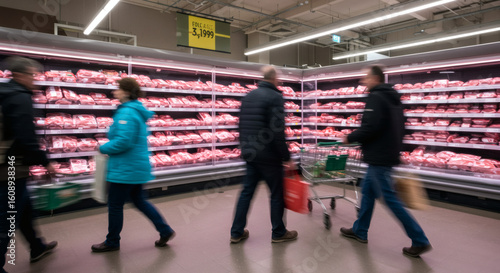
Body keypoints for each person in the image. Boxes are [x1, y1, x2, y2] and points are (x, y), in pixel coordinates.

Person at [340, 65, 432, 258]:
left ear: (375, 79)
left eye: (366, 78)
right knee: (367, 192)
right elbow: (399, 128)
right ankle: (360, 230)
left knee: (390, 200)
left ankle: (420, 239)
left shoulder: (376, 97)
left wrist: (351, 137)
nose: (363, 81)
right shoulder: (394, 98)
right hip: (386, 154)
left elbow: (370, 127)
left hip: (379, 157)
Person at [91, 78, 175, 252]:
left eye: (118, 89)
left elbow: (123, 142)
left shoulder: (127, 113)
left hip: (125, 169)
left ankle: (112, 241)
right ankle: (165, 230)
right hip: (135, 167)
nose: (115, 92)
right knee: (140, 201)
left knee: (115, 205)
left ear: (127, 92)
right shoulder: (136, 110)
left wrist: (102, 147)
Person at [0, 56, 57, 273]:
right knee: (7, 217)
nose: (36, 80)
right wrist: (45, 162)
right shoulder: (20, 96)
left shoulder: (5, 92)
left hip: (8, 163)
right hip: (10, 166)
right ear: (21, 75)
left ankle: (37, 246)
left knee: (23, 208)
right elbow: (26, 136)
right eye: (33, 75)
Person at [230, 65, 297, 244]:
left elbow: (241, 125)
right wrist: (286, 157)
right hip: (269, 156)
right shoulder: (275, 97)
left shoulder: (248, 96)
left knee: (246, 193)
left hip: (251, 154)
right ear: (275, 79)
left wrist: (245, 149)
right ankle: (278, 233)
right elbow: (277, 131)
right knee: (276, 194)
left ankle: (236, 232)